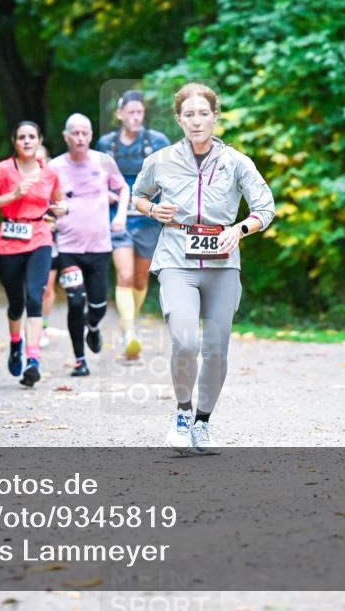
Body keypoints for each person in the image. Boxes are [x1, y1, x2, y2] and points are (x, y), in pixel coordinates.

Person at [132, 83, 275, 455]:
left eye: (203, 113)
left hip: (223, 264)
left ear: (215, 116)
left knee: (215, 349)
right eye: (189, 115)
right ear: (179, 119)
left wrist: (239, 230)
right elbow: (138, 195)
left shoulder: (237, 162)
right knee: (185, 340)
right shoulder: (160, 160)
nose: (197, 122)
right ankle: (182, 414)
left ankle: (202, 423)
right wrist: (152, 210)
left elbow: (266, 207)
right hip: (177, 258)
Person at [0, 121, 65, 388]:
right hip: (9, 243)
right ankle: (16, 344)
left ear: (39, 140)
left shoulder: (49, 174)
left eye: (32, 137)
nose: (27, 141)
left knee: (35, 297)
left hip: (39, 237)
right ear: (14, 142)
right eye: (22, 137)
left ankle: (33, 360)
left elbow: (59, 203)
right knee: (16, 304)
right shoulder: (3, 170)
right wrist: (13, 195)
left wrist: (60, 209)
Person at [50, 113, 129, 377]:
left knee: (98, 306)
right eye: (75, 133)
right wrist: (49, 217)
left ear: (91, 135)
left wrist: (120, 215)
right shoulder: (54, 167)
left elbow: (123, 190)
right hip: (68, 247)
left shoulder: (103, 161)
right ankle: (79, 359)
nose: (80, 137)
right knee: (75, 300)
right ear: (66, 136)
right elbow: (43, 201)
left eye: (85, 132)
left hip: (99, 247)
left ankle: (93, 328)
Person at [96, 90, 170, 360]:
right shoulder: (106, 144)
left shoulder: (157, 141)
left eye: (140, 112)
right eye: (131, 112)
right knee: (124, 275)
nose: (136, 116)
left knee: (140, 279)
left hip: (148, 218)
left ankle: (129, 322)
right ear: (120, 114)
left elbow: (172, 176)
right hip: (117, 218)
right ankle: (129, 334)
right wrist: (104, 193)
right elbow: (94, 178)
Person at [36, 144, 57, 349]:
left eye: (43, 159)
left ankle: (43, 326)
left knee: (48, 287)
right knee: (33, 287)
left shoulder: (56, 182)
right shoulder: (23, 183)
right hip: (29, 241)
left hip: (53, 240)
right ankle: (31, 324)